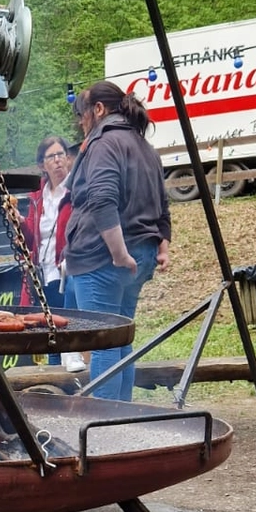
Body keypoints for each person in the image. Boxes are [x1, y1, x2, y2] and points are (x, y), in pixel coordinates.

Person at [62, 80, 171, 401]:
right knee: (122, 340)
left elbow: (101, 198)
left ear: (98, 109)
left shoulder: (104, 144)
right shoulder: (145, 148)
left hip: (102, 259)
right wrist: (161, 245)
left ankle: (104, 428)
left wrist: (118, 251)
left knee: (105, 341)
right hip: (138, 257)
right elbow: (161, 203)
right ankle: (120, 421)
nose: (81, 122)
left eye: (82, 114)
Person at [21, 134, 73, 308]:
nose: (58, 160)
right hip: (42, 274)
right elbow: (30, 240)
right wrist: (19, 221)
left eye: (61, 154)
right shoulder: (37, 196)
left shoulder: (76, 190)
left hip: (66, 274)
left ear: (68, 158)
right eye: (51, 156)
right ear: (42, 165)